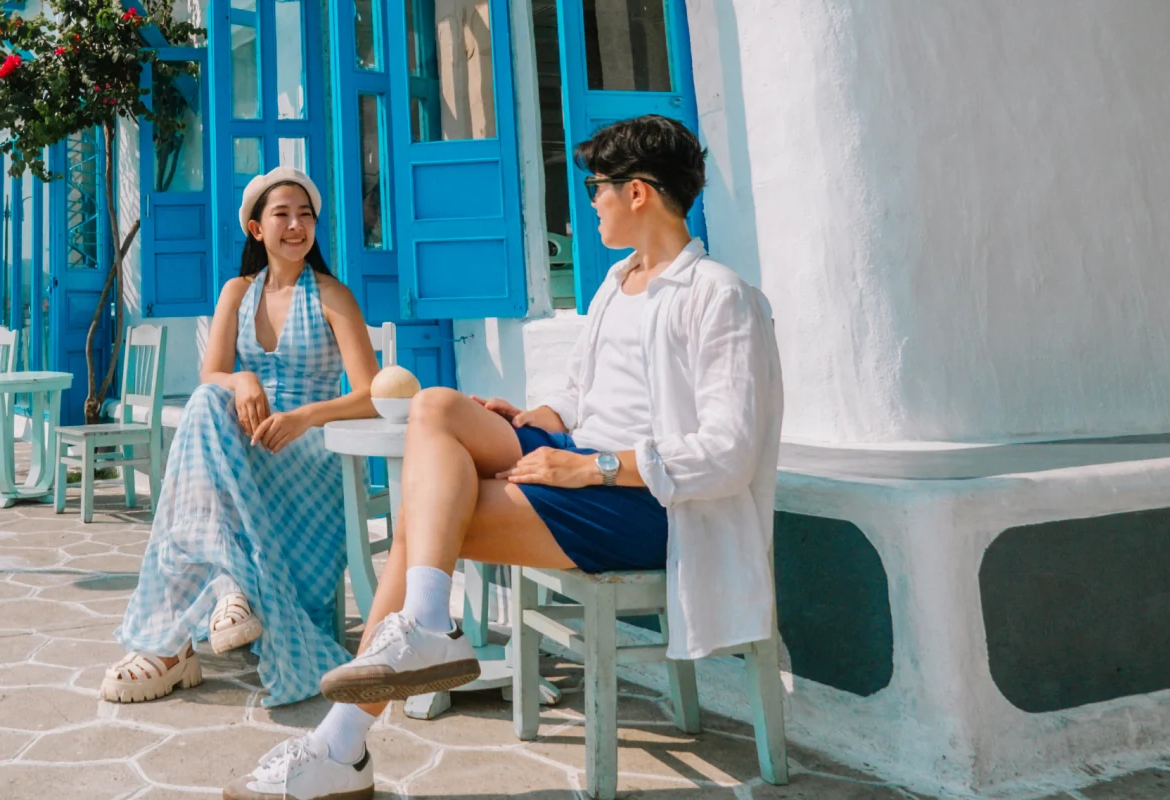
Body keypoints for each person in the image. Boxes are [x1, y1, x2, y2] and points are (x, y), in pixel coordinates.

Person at [224, 115, 783, 799]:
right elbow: (579, 400)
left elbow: (728, 454)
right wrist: (530, 421)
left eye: (597, 187)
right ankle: (421, 633)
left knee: (421, 527)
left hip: (649, 503)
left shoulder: (717, 295)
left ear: (638, 193)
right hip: (583, 464)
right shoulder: (615, 285)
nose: (591, 200)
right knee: (435, 407)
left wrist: (590, 468)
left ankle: (342, 745)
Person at [105, 166, 385, 707]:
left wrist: (303, 417)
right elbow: (212, 376)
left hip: (309, 451)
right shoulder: (237, 292)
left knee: (204, 427)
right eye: (282, 214)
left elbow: (372, 393)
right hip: (248, 447)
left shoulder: (333, 295)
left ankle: (178, 635)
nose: (296, 225)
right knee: (209, 401)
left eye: (305, 215)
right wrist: (242, 378)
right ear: (257, 229)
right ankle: (222, 597)